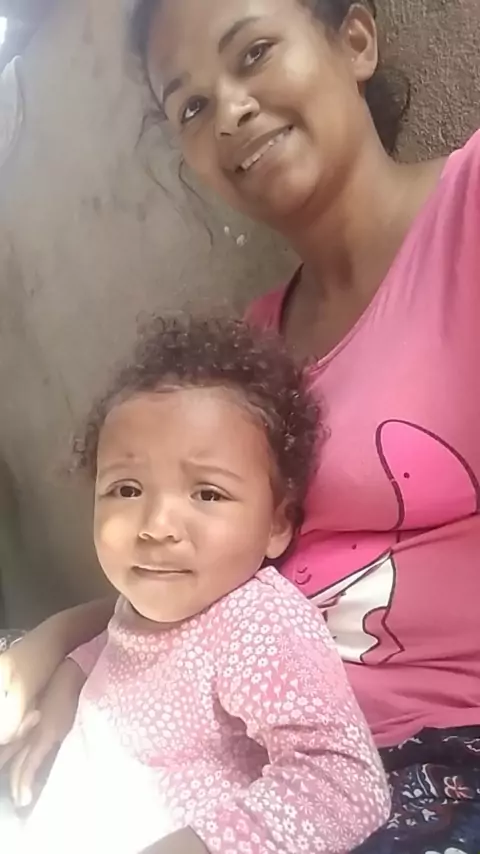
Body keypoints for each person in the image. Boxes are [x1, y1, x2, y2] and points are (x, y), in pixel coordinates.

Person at [0, 0, 479, 850]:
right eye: (189, 104)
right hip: (246, 756)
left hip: (433, 759)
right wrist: (63, 650)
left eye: (253, 52)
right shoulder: (250, 358)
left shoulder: (469, 212)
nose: (227, 110)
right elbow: (204, 567)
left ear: (355, 39)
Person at [13, 315, 389, 854]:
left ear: (277, 523)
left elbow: (345, 782)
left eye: (207, 494)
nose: (156, 525)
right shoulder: (149, 601)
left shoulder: (257, 623)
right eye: (127, 488)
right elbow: (120, 649)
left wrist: (207, 845)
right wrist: (64, 690)